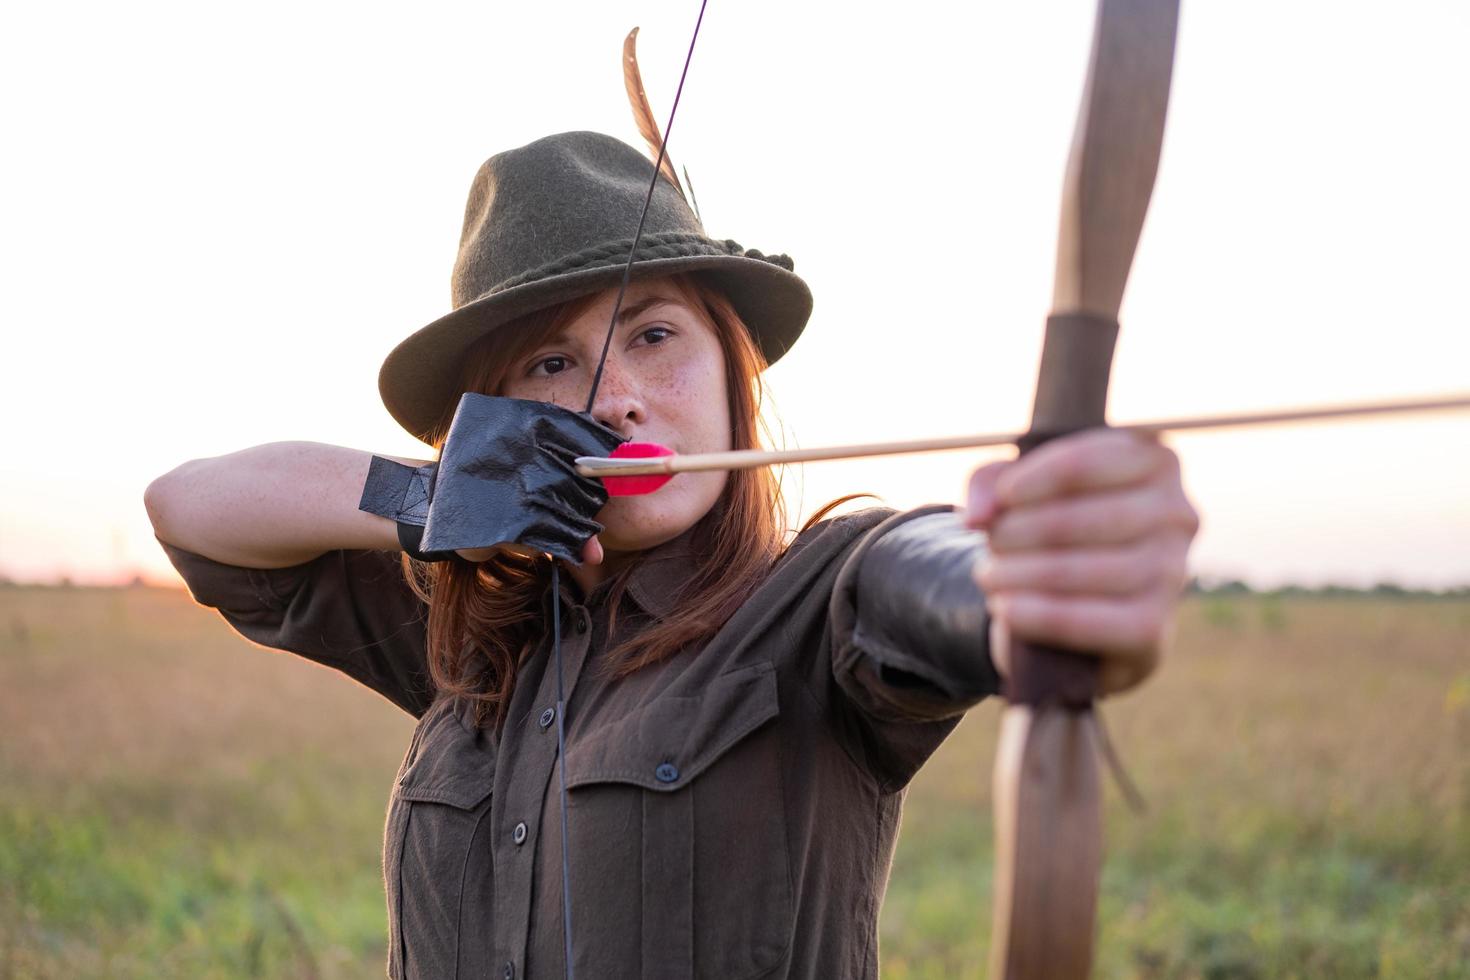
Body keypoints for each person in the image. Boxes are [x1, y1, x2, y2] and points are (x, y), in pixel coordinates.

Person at [145, 130, 1198, 980]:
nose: (614, 398)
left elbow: (937, 581)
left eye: (654, 334)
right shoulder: (468, 633)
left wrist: (1032, 568)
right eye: (553, 364)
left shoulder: (815, 601)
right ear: (494, 421)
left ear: (730, 370)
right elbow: (189, 506)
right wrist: (431, 497)